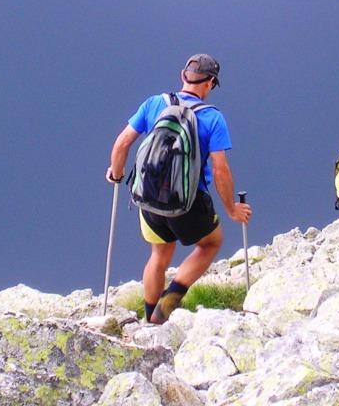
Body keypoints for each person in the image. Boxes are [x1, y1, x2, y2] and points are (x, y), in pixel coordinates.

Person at [106, 54, 252, 324]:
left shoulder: (154, 104)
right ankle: (169, 300)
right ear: (210, 83)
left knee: (159, 254)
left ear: (182, 76)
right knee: (210, 243)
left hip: (148, 198)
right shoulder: (212, 118)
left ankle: (150, 319)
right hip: (187, 201)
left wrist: (116, 174)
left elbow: (122, 144)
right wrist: (231, 209)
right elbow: (221, 169)